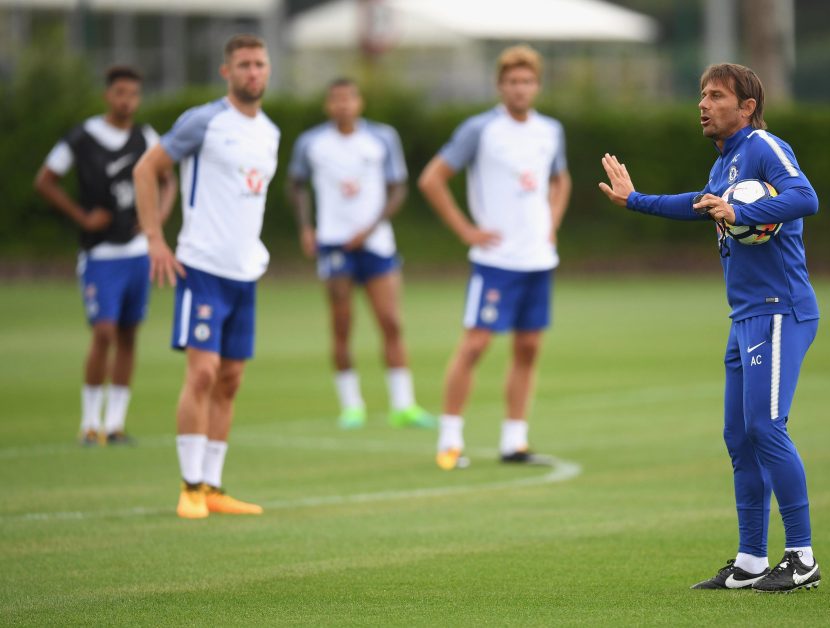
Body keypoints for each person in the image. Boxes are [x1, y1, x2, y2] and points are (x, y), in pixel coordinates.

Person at [599, 63, 821, 593]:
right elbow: (702, 205)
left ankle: (801, 558)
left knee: (767, 429)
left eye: (716, 95)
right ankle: (749, 561)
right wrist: (636, 200)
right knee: (741, 439)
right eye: (701, 94)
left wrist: (744, 214)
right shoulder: (727, 162)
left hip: (778, 308)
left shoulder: (763, 144)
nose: (703, 103)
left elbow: (805, 197)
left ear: (746, 107)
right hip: (745, 315)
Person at [133, 34, 279, 519]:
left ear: (268, 69)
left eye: (259, 64)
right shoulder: (205, 121)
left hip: (245, 271)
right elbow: (146, 169)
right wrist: (155, 238)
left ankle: (214, 486)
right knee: (202, 372)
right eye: (243, 65)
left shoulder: (271, 133)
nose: (252, 73)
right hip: (202, 268)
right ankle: (189, 485)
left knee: (231, 379)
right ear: (226, 72)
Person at [418, 45, 571, 471]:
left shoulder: (549, 131)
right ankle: (449, 439)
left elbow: (561, 179)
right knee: (475, 344)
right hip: (495, 261)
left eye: (526, 81)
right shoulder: (480, 129)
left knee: (528, 347)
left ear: (536, 86)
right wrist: (466, 230)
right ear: (500, 86)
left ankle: (514, 440)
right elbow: (432, 179)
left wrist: (552, 219)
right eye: (512, 82)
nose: (520, 89)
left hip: (538, 259)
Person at [34, 65, 176, 446]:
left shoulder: (146, 136)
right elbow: (45, 180)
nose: (127, 100)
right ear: (107, 96)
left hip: (136, 253)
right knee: (104, 332)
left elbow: (169, 178)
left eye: (133, 94)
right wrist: (82, 216)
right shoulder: (83, 137)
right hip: (100, 254)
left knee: (129, 335)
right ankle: (88, 423)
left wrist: (157, 219)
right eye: (120, 93)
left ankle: (115, 425)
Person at [287, 78, 434, 430]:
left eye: (348, 99)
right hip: (334, 243)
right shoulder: (312, 143)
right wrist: (307, 227)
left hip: (376, 243)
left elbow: (398, 188)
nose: (342, 105)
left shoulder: (382, 138)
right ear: (328, 105)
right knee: (341, 324)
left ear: (360, 102)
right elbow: (296, 184)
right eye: (335, 100)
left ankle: (404, 404)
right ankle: (351, 405)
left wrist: (370, 227)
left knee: (391, 321)